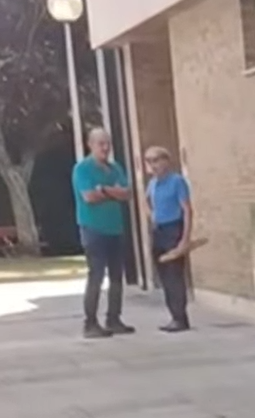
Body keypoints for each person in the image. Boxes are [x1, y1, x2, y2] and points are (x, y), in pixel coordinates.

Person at [73, 127, 135, 340]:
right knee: (96, 276)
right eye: (101, 144)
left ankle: (114, 318)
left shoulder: (115, 168)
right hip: (93, 229)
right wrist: (113, 192)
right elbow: (89, 196)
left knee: (117, 276)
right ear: (90, 145)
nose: (105, 148)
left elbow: (127, 193)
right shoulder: (83, 169)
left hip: (115, 228)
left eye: (108, 143)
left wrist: (105, 190)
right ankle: (90, 323)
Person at [143, 147, 194, 333]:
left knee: (174, 275)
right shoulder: (153, 183)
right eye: (149, 161)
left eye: (156, 160)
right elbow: (145, 201)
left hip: (174, 228)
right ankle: (173, 315)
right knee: (163, 274)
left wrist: (185, 238)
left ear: (166, 160)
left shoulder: (177, 181)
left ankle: (180, 317)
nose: (153, 165)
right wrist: (152, 216)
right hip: (159, 230)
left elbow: (187, 210)